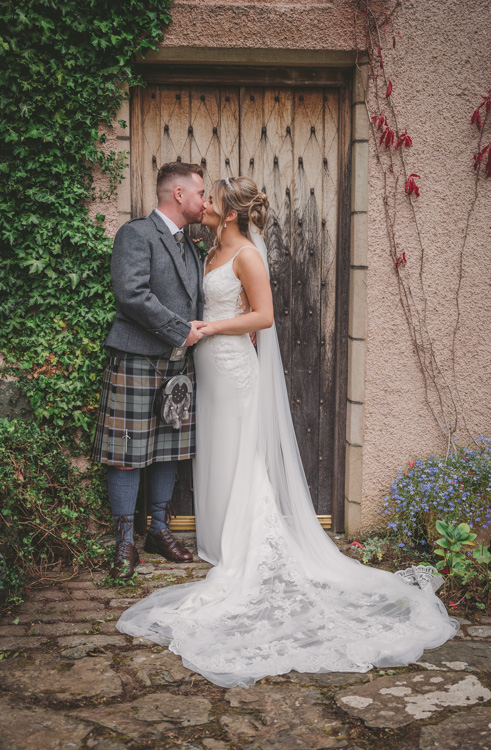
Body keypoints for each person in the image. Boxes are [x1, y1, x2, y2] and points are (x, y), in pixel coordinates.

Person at [117, 176, 459, 688]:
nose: (204, 205)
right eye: (201, 196)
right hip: (204, 368)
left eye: (212, 199)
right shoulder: (205, 248)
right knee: (214, 450)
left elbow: (265, 316)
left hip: (230, 366)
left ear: (228, 213)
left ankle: (246, 539)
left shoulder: (247, 256)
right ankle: (215, 535)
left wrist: (210, 329)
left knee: (241, 452)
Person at [91, 162, 207, 579]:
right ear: (178, 194)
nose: (204, 201)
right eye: (200, 193)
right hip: (137, 360)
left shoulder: (190, 245)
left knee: (168, 450)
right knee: (127, 453)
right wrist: (181, 331)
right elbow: (131, 295)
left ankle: (158, 531)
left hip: (178, 366)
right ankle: (125, 540)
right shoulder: (136, 234)